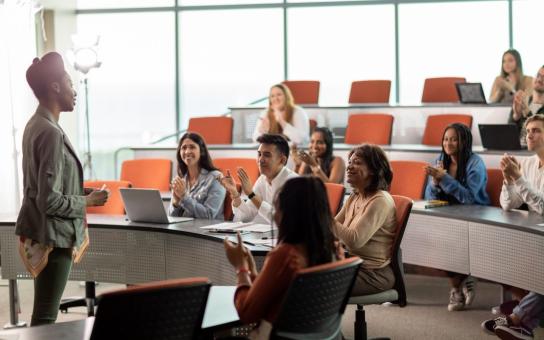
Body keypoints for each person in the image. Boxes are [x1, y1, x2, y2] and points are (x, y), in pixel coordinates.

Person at [15, 52, 108, 326]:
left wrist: (82, 190)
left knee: (44, 312)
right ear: (55, 87)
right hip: (53, 238)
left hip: (40, 232)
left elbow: (44, 186)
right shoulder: (51, 132)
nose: (74, 90)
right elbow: (50, 201)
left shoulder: (36, 125)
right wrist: (88, 201)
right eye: (69, 83)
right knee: (45, 317)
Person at [223, 177, 342, 329]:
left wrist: (241, 268)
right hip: (319, 333)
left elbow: (247, 313)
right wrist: (252, 270)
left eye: (277, 206)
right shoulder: (334, 249)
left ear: (288, 212)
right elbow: (267, 292)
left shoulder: (285, 256)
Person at [424, 123, 490, 311]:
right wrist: (436, 184)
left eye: (454, 139)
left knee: (454, 242)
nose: (448, 143)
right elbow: (430, 195)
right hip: (448, 215)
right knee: (441, 243)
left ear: (464, 141)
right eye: (446, 139)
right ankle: (465, 278)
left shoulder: (475, 163)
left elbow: (470, 198)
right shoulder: (440, 160)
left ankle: (456, 289)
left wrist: (444, 179)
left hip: (475, 215)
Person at [332, 144, 397, 296]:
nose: (349, 167)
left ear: (374, 170)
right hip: (350, 265)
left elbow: (354, 240)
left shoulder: (380, 200)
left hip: (372, 274)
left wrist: (323, 216)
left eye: (357, 162)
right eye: (350, 162)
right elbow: (332, 230)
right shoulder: (355, 196)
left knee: (308, 283)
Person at [220, 134, 298, 224]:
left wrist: (251, 195)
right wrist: (235, 194)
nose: (260, 159)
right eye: (259, 154)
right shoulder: (262, 179)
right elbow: (245, 217)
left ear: (282, 160)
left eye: (267, 155)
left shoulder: (294, 182)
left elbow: (281, 220)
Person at [169, 132, 226, 219]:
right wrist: (175, 203)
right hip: (184, 229)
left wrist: (184, 197)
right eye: (183, 148)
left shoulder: (216, 178)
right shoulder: (182, 180)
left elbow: (209, 215)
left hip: (204, 231)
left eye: (192, 147)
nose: (187, 152)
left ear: (201, 151)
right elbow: (171, 217)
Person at [509, 66, 544, 146]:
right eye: (538, 75)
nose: (540, 79)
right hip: (519, 151)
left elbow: (538, 135)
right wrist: (516, 116)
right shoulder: (521, 100)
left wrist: (527, 111)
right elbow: (508, 136)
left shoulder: (524, 104)